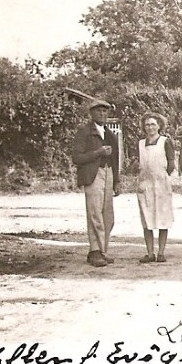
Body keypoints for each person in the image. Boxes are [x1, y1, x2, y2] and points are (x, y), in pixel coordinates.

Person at [71, 98, 121, 268]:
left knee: (108, 215)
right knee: (94, 213)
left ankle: (103, 250)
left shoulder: (111, 135)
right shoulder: (84, 132)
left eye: (105, 111)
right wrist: (97, 153)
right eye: (98, 110)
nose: (102, 113)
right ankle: (94, 251)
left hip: (108, 174)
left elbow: (115, 160)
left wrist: (117, 181)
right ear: (91, 113)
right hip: (92, 175)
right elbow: (77, 158)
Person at [137, 112, 176, 263]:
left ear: (159, 126)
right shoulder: (140, 143)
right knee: (147, 219)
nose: (150, 127)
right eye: (147, 125)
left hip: (161, 184)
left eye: (153, 124)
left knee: (162, 218)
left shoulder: (165, 142)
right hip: (145, 184)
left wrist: (163, 176)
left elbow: (171, 163)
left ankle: (161, 252)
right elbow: (138, 161)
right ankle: (149, 252)